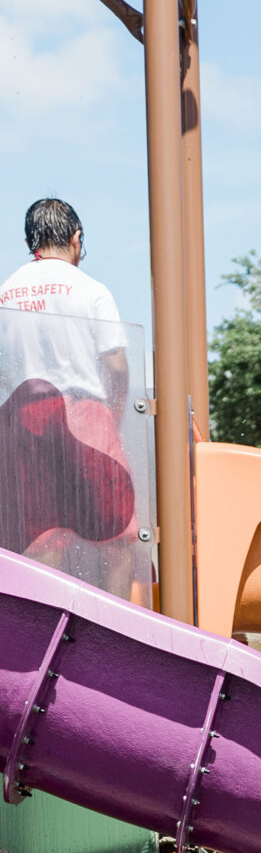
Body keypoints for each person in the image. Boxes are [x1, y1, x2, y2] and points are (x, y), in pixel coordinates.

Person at [0, 198, 135, 590]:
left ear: (31, 242)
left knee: (40, 537)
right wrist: (114, 416)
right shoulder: (90, 289)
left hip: (23, 417)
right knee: (118, 538)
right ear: (77, 239)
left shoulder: (5, 293)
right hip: (84, 412)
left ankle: (42, 639)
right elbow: (115, 365)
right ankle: (114, 641)